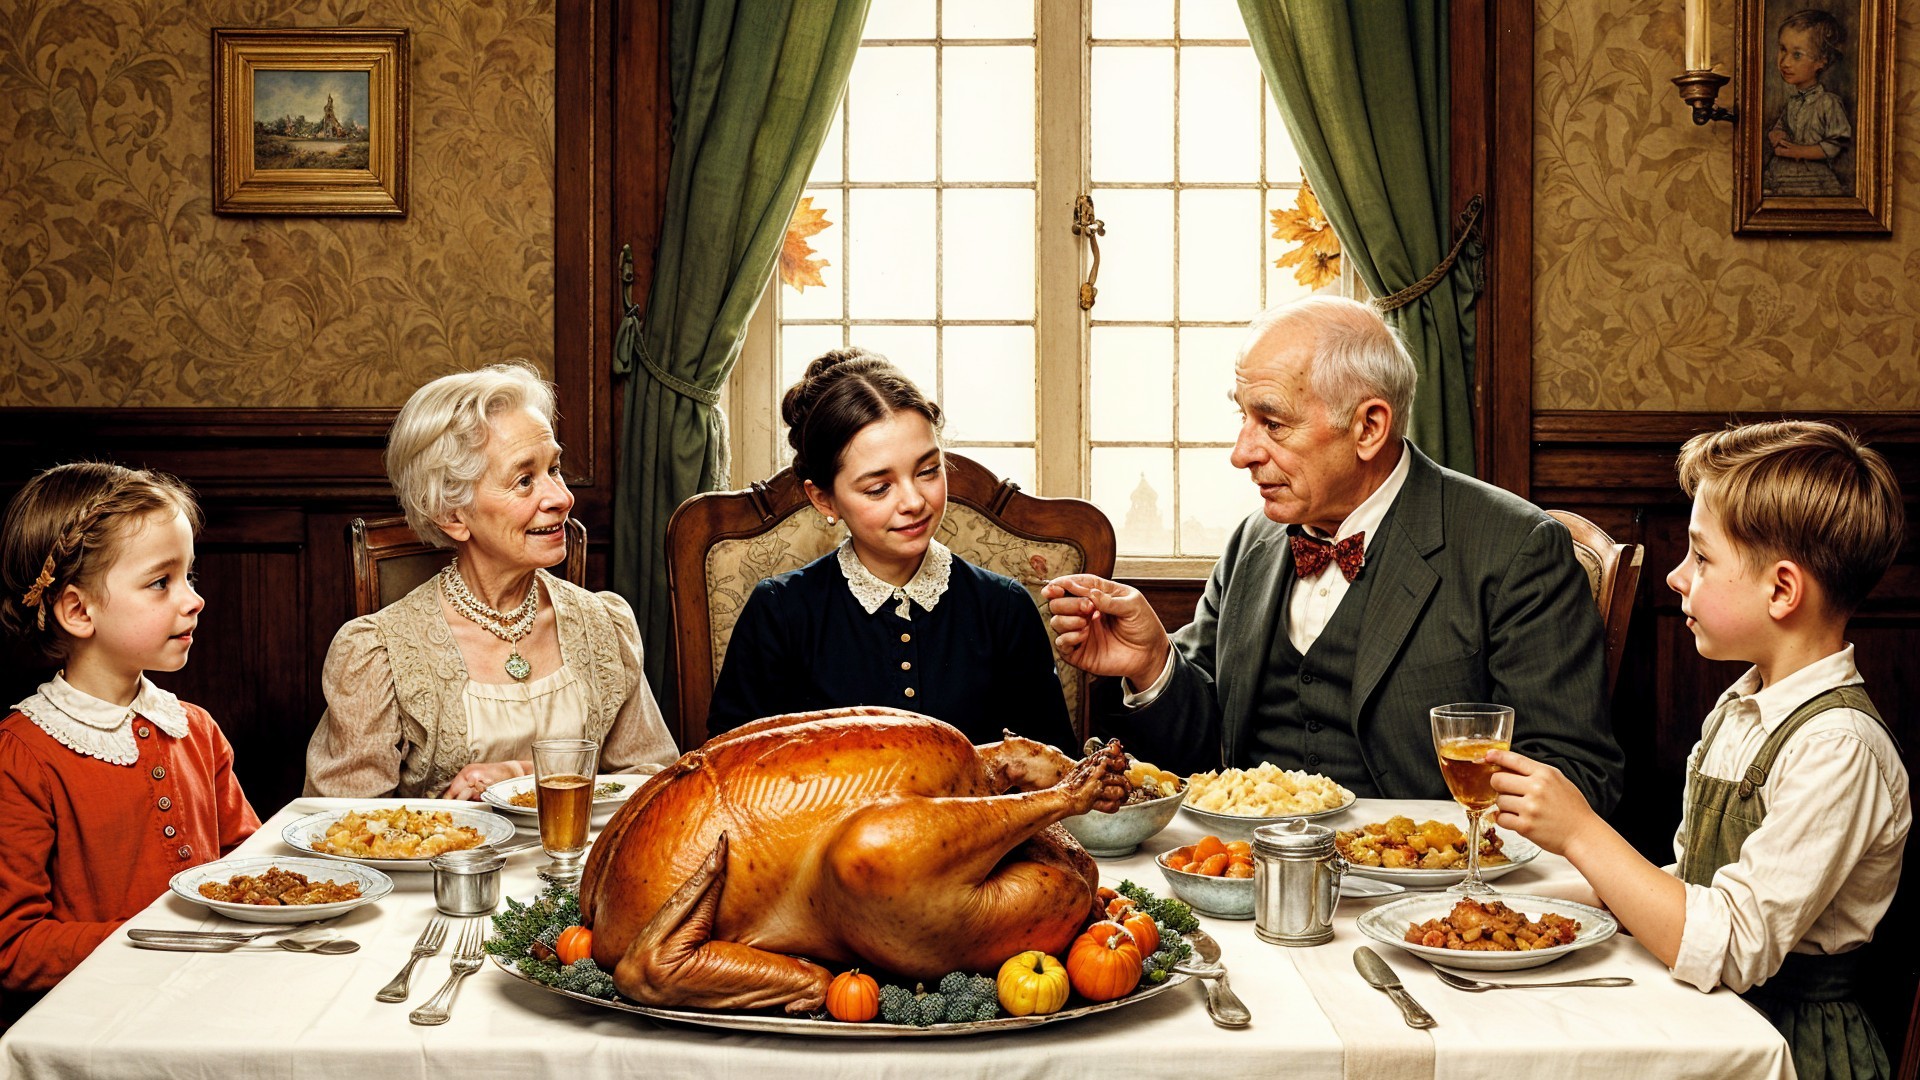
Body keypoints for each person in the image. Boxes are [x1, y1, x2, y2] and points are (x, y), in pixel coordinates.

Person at [1044, 296, 1623, 810]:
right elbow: (1196, 755)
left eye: (1272, 422)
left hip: (1420, 884)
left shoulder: (1514, 548)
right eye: (1243, 417)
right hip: (1243, 871)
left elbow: (1576, 775)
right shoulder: (1252, 542)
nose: (1242, 452)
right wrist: (1151, 663)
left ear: (1369, 427)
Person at [1489, 421, 1908, 1080]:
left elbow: (1728, 945)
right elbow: (1686, 890)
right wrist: (1509, 898)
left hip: (1788, 1048)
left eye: (1702, 558)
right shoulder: (1740, 712)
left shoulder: (1838, 749)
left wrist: (1580, 831)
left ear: (1782, 590)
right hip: (1710, 1017)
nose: (1678, 576)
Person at [304, 363, 677, 799]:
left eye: (555, 469)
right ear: (452, 514)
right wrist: (450, 817)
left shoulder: (604, 625)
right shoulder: (378, 653)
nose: (562, 497)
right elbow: (342, 823)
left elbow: (656, 785)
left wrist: (527, 777)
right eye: (524, 480)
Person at [706, 348, 1077, 750]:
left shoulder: (1004, 608)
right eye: (879, 488)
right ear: (824, 499)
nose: (913, 501)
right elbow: (729, 767)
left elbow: (1055, 768)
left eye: (928, 471)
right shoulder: (779, 612)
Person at [0, 463, 260, 1001]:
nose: (193, 599)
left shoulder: (194, 730)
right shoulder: (22, 756)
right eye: (161, 582)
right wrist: (163, 944)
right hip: (90, 1019)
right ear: (78, 610)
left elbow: (249, 869)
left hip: (207, 995)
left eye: (189, 576)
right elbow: (12, 948)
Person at [1764, 9, 1851, 197]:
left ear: (1821, 61)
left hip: (1812, 178)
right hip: (1781, 171)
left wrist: (1800, 151)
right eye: (1783, 49)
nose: (1785, 62)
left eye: (1797, 55)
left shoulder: (1829, 102)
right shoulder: (1793, 103)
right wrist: (1776, 134)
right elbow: (1779, 127)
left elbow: (1836, 145)